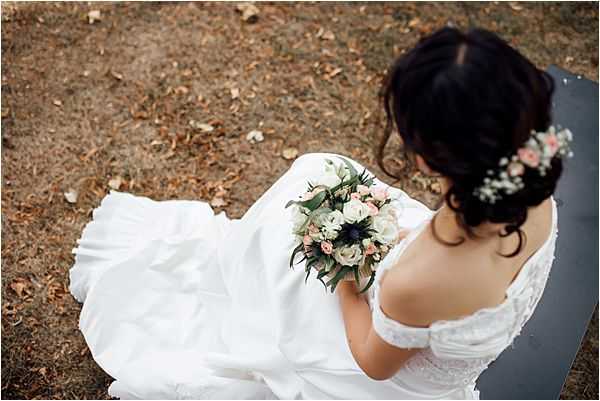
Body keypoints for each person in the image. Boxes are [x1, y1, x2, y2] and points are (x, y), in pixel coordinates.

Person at [69, 27, 571, 399]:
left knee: (284, 240)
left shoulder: (417, 281)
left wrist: (346, 277)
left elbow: (374, 362)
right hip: (442, 320)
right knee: (320, 170)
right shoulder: (531, 197)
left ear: (430, 152)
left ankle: (238, 289)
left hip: (377, 373)